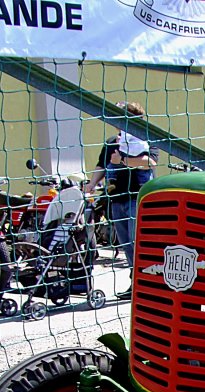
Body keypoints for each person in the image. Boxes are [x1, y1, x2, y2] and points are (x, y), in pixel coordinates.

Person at [85, 101, 158, 300]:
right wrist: (91, 184)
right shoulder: (111, 142)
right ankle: (136, 284)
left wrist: (123, 162)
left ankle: (149, 285)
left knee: (140, 245)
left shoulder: (146, 138)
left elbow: (149, 162)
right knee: (127, 246)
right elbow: (102, 165)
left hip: (139, 198)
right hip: (117, 200)